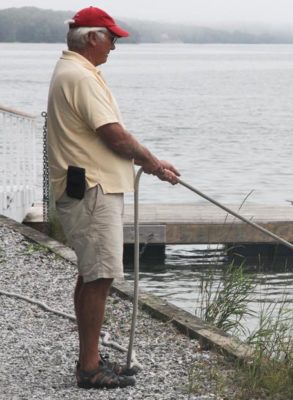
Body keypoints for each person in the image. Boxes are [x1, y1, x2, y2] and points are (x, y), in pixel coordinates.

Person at [47, 6, 179, 389]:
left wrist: (151, 162)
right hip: (93, 189)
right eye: (112, 38)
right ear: (91, 37)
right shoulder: (80, 77)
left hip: (88, 186)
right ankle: (89, 368)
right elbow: (114, 135)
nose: (114, 47)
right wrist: (154, 164)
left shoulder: (74, 71)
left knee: (92, 274)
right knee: (100, 276)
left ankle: (89, 359)